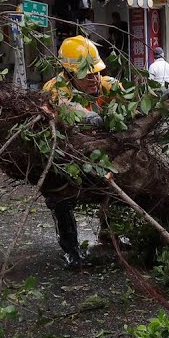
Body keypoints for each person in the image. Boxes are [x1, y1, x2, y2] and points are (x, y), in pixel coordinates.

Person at [42, 35, 121, 267]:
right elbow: (66, 106)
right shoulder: (54, 89)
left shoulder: (107, 86)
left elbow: (133, 100)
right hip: (66, 160)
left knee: (118, 182)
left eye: (97, 71)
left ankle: (109, 232)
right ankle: (71, 251)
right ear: (68, 73)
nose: (94, 77)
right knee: (59, 196)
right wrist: (89, 117)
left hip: (100, 157)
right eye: (87, 73)